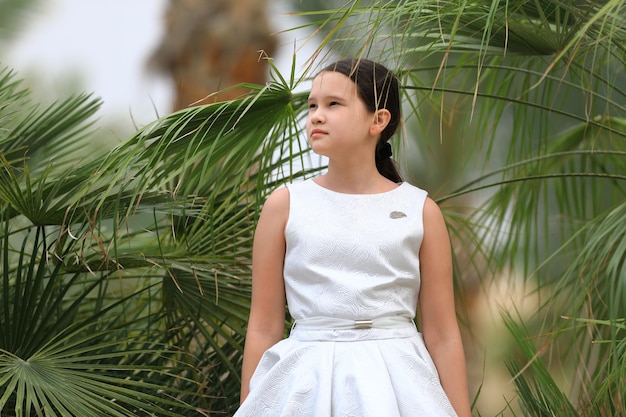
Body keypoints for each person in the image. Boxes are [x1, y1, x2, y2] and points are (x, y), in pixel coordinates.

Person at [235, 58, 472, 417]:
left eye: (334, 104)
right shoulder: (285, 206)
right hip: (304, 381)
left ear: (378, 120)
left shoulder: (419, 211)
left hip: (400, 383)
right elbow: (264, 327)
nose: (315, 115)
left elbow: (442, 334)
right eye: (312, 105)